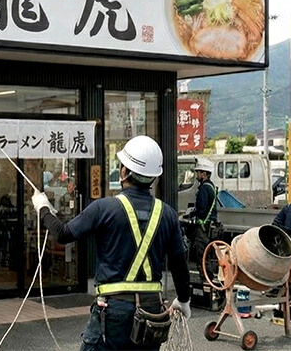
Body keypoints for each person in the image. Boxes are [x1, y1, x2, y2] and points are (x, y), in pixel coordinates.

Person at [32, 135, 190, 350]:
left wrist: (42, 208)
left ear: (124, 172)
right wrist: (183, 299)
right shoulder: (168, 214)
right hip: (152, 310)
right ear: (154, 177)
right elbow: (179, 263)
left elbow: (63, 234)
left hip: (114, 309)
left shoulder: (104, 208)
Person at [185, 158, 219, 281]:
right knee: (206, 254)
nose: (196, 175)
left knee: (202, 254)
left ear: (204, 174)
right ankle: (208, 279)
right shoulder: (211, 186)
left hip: (203, 227)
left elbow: (201, 208)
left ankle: (206, 279)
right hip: (209, 226)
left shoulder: (204, 188)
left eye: (198, 172)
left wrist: (191, 213)